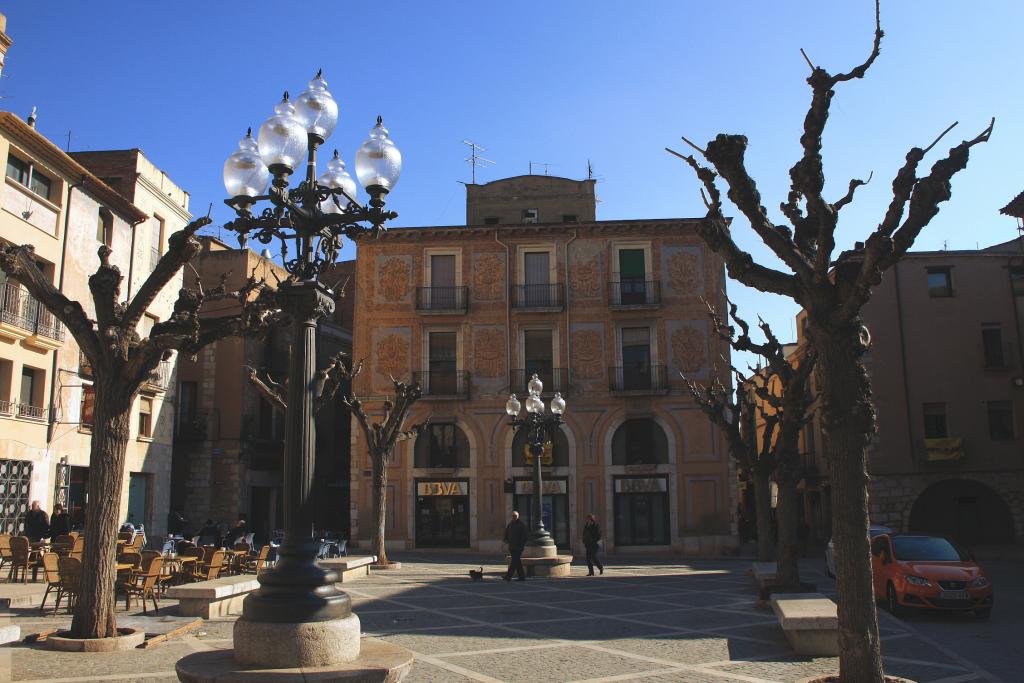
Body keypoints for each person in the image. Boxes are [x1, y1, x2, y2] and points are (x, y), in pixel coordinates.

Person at [503, 510, 528, 582]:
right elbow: (506, 533)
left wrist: (521, 544)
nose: (514, 517)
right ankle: (522, 576)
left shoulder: (521, 525)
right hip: (511, 547)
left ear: (518, 516)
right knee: (517, 562)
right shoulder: (510, 524)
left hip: (518, 547)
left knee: (514, 561)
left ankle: (508, 576)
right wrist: (505, 539)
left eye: (515, 516)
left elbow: (524, 536)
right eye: (513, 516)